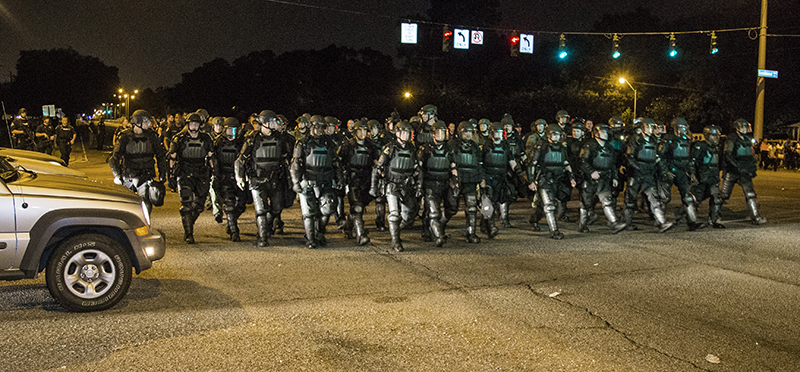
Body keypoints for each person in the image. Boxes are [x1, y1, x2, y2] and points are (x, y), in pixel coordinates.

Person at [237, 110, 293, 247]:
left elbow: (288, 157)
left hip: (275, 179)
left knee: (276, 208)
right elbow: (240, 160)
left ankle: (268, 226)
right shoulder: (253, 139)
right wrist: (240, 177)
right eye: (273, 121)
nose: (276, 124)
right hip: (257, 179)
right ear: (266, 123)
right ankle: (262, 237)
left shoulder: (280, 138)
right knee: (261, 210)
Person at [291, 115, 342, 249]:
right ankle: (311, 238)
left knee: (328, 207)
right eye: (317, 127)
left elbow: (336, 162)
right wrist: (296, 181)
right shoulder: (302, 143)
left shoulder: (329, 143)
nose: (320, 130)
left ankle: (319, 232)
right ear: (311, 127)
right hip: (308, 181)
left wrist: (339, 178)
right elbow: (296, 163)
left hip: (325, 180)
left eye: (322, 127)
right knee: (309, 213)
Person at [371, 120, 421, 251]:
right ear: (398, 133)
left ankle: (397, 230)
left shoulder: (411, 148)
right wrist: (374, 187)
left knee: (411, 213)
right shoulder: (390, 148)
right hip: (392, 185)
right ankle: (395, 241)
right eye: (404, 132)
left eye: (408, 133)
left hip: (407, 185)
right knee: (394, 215)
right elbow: (378, 168)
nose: (407, 135)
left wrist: (419, 185)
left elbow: (417, 169)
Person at [168, 113, 216, 244]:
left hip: (201, 172)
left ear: (200, 125)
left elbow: (211, 156)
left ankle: (189, 221)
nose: (193, 126)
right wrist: (171, 174)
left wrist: (214, 171)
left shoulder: (206, 138)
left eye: (196, 124)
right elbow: (172, 156)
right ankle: (188, 233)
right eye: (191, 124)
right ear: (187, 124)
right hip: (184, 172)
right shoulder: (179, 138)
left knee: (199, 205)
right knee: (186, 204)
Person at [109, 109, 168, 214]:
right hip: (129, 175)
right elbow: (113, 159)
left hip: (146, 174)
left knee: (146, 203)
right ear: (138, 122)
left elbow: (160, 156)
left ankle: (144, 226)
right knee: (127, 205)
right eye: (146, 121)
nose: (148, 124)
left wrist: (163, 174)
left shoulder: (151, 136)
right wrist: (118, 176)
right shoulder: (125, 137)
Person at [622, 118, 673, 232]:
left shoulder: (654, 140)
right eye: (648, 127)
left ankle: (661, 223)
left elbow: (657, 156)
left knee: (654, 199)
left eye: (652, 127)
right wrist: (636, 168)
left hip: (648, 173)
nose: (651, 129)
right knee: (630, 200)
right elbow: (630, 156)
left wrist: (660, 170)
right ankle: (626, 223)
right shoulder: (636, 139)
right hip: (636, 173)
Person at [527, 124, 576, 239]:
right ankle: (554, 231)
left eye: (558, 134)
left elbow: (566, 163)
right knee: (549, 205)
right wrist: (531, 181)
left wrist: (571, 177)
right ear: (549, 135)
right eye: (554, 134)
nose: (556, 136)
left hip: (559, 179)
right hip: (545, 178)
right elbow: (532, 164)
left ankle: (534, 219)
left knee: (544, 204)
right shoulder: (542, 146)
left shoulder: (562, 147)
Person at [482, 121, 527, 239]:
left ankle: (503, 220)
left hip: (501, 176)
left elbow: (511, 161)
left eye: (500, 132)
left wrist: (519, 174)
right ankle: (489, 225)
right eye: (496, 132)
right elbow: (481, 162)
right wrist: (481, 178)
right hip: (489, 176)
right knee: (489, 202)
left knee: (503, 198)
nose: (498, 134)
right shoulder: (486, 145)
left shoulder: (505, 145)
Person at [578, 123, 627, 234]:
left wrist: (615, 177)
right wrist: (591, 172)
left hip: (604, 178)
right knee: (586, 203)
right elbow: (583, 161)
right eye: (603, 132)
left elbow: (613, 164)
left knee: (607, 201)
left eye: (606, 131)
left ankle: (614, 223)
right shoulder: (589, 145)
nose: (606, 134)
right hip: (590, 178)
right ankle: (582, 224)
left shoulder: (609, 147)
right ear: (596, 133)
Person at [339, 119, 380, 245]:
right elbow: (339, 161)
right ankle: (360, 235)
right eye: (360, 130)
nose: (362, 133)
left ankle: (348, 226)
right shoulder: (348, 145)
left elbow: (376, 162)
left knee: (359, 206)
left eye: (364, 130)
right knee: (357, 207)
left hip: (366, 179)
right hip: (353, 179)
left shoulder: (371, 145)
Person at [660, 118, 704, 230]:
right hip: (671, 170)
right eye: (681, 127)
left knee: (687, 197)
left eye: (685, 127)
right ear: (675, 128)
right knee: (664, 198)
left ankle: (692, 221)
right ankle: (660, 221)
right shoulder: (668, 140)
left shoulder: (686, 141)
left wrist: (692, 173)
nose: (684, 130)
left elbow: (688, 159)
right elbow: (661, 157)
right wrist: (666, 171)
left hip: (682, 172)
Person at [417, 120, 457, 247]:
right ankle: (438, 236)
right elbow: (420, 169)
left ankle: (437, 227)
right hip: (430, 183)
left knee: (452, 208)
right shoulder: (425, 149)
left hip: (445, 182)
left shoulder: (449, 148)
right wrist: (419, 185)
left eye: (442, 132)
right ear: (433, 134)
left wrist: (455, 182)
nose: (441, 135)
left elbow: (453, 167)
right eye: (438, 133)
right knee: (434, 212)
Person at [720, 118, 766, 225]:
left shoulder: (747, 138)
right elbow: (728, 155)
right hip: (732, 171)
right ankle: (713, 214)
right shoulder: (732, 138)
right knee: (724, 195)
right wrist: (737, 166)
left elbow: (751, 154)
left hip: (744, 171)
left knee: (750, 194)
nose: (745, 129)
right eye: (743, 127)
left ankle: (756, 217)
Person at [446, 121, 485, 244]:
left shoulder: (474, 146)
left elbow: (479, 164)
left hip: (471, 180)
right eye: (465, 131)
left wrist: (482, 179)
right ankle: (438, 227)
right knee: (452, 208)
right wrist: (451, 179)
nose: (468, 134)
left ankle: (471, 233)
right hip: (457, 180)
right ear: (460, 132)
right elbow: (448, 163)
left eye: (470, 131)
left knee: (472, 207)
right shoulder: (452, 145)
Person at [212, 118, 247, 241]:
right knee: (229, 204)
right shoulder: (218, 143)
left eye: (233, 129)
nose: (230, 132)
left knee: (242, 205)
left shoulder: (242, 143)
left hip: (239, 177)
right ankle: (234, 231)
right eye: (228, 129)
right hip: (224, 177)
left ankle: (231, 221)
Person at [691, 125, 725, 228]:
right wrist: (693, 174)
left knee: (716, 198)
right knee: (696, 199)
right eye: (714, 135)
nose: (717, 137)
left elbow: (718, 163)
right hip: (702, 176)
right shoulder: (700, 146)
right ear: (707, 135)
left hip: (713, 177)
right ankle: (688, 218)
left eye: (717, 135)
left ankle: (713, 220)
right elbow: (693, 161)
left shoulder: (716, 148)